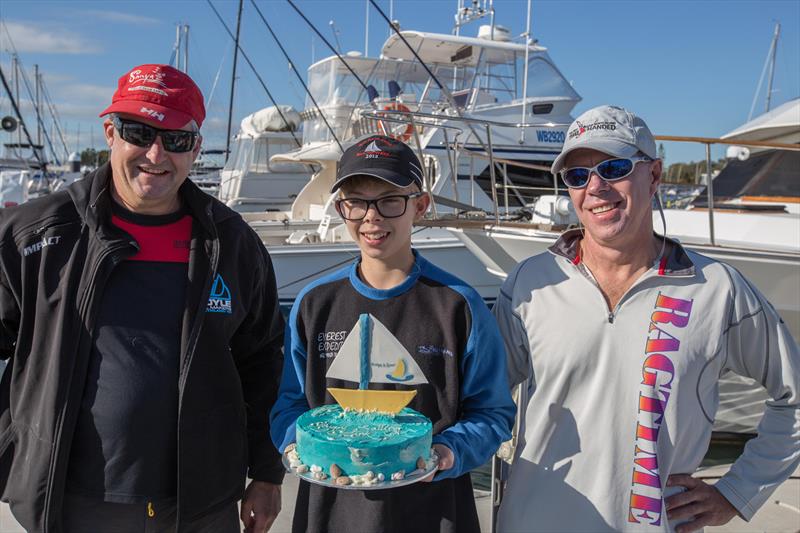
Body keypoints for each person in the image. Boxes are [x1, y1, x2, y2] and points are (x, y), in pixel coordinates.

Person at [0, 64, 285, 532]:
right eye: (140, 132)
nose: (157, 153)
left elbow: (263, 361)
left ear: (195, 148)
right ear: (110, 133)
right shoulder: (35, 235)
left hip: (200, 503)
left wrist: (268, 474)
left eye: (175, 139)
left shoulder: (233, 244)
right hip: (72, 500)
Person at [492, 104, 800, 532]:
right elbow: (483, 403)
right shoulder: (529, 281)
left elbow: (794, 395)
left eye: (613, 168)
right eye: (577, 176)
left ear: (653, 175)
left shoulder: (717, 288)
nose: (595, 188)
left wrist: (738, 491)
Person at [270, 134, 516, 533]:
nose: (372, 216)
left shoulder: (459, 305)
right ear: (340, 209)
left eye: (390, 200)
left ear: (420, 205)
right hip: (330, 514)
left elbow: (493, 413)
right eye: (357, 202)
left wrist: (448, 450)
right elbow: (289, 404)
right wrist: (297, 444)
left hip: (434, 512)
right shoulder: (314, 304)